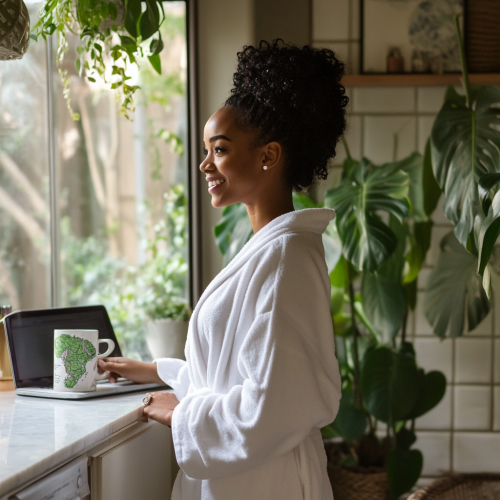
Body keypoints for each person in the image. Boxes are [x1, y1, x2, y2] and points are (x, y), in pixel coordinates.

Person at [98, 39, 348, 500]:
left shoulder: (286, 258)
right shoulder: (269, 249)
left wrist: (182, 414)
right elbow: (237, 374)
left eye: (220, 149)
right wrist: (159, 370)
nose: (204, 164)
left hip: (266, 484)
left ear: (268, 156)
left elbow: (273, 406)